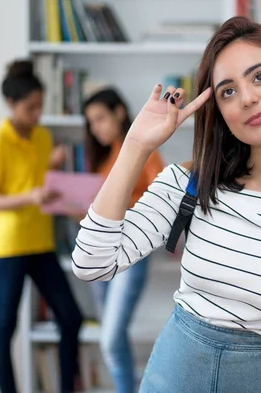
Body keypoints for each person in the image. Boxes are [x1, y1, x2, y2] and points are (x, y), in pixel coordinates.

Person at [72, 17, 261, 393]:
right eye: (228, 92)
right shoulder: (188, 184)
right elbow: (91, 263)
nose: (248, 98)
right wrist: (136, 145)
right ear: (219, 111)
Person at [0, 59, 83, 393]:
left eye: (41, 106)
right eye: (30, 108)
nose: (37, 114)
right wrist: (31, 195)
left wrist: (53, 174)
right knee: (5, 328)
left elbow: (41, 187)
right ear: (11, 104)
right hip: (7, 247)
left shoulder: (43, 138)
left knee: (70, 318)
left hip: (41, 244)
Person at [79, 87, 165, 393]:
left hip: (129, 250)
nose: (96, 128)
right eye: (91, 122)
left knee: (111, 338)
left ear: (119, 112)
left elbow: (161, 196)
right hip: (98, 250)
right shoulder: (100, 159)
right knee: (111, 337)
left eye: (101, 118)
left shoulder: (144, 151)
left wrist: (123, 206)